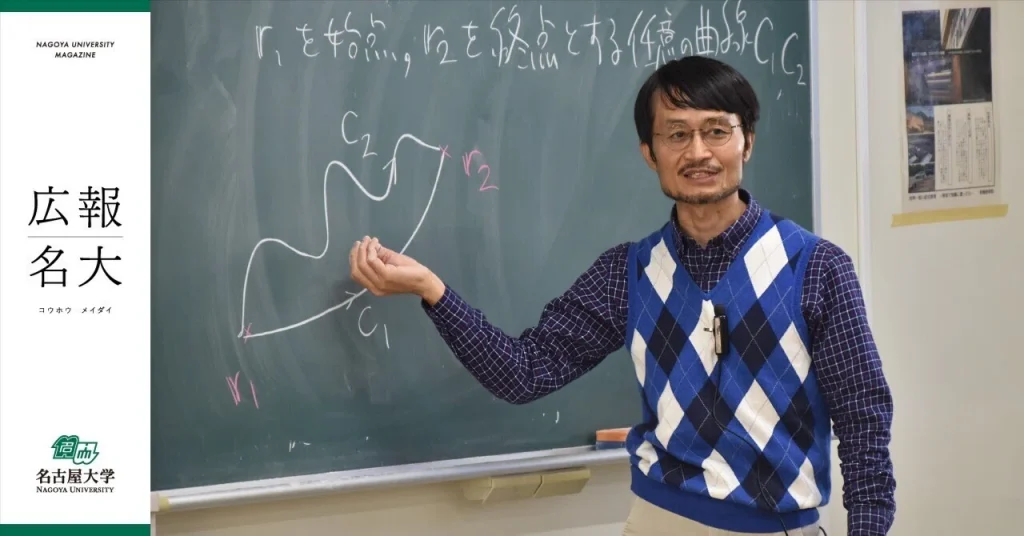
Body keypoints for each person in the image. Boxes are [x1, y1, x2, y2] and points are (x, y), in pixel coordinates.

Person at [348, 56, 895, 536]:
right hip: (659, 521)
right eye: (676, 134)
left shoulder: (816, 267)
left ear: (746, 140)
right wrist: (433, 291)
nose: (698, 151)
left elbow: (864, 420)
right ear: (648, 152)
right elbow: (524, 373)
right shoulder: (628, 274)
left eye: (716, 131)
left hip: (775, 526)